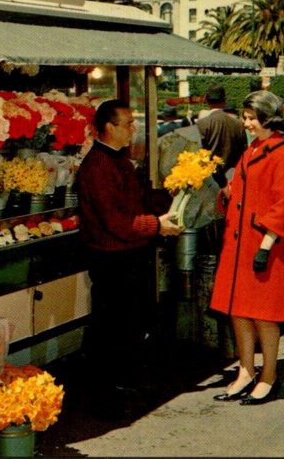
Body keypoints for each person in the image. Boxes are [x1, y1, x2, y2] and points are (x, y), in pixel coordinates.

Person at [209, 90, 284, 405]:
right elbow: (240, 191)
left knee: (264, 315)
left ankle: (269, 375)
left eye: (252, 118)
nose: (246, 123)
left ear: (268, 118)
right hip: (239, 245)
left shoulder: (281, 153)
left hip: (261, 247)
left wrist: (265, 247)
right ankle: (245, 371)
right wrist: (222, 189)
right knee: (238, 312)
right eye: (245, 117)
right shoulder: (253, 149)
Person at [77, 99, 181, 405]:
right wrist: (156, 225)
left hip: (129, 255)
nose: (134, 129)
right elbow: (115, 222)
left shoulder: (119, 160)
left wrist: (169, 194)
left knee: (128, 325)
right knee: (112, 328)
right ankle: (105, 395)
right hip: (111, 259)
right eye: (129, 124)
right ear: (109, 128)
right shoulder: (97, 166)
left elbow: (138, 201)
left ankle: (122, 386)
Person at [196, 84, 247, 189]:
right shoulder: (238, 124)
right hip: (231, 179)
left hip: (208, 182)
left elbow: (199, 153)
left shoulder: (202, 124)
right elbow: (243, 153)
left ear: (206, 100)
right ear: (224, 101)